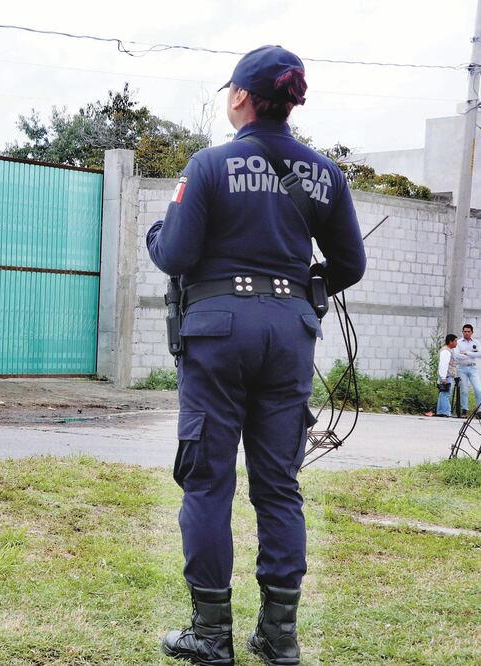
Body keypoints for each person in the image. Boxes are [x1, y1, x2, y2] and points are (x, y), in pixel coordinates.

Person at [147, 45, 365, 666]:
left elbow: (177, 255)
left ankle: (210, 635)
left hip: (217, 332)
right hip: (290, 332)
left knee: (209, 481)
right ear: (292, 101)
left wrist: (156, 233)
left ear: (241, 96)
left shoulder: (211, 165)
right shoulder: (327, 174)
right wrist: (300, 290)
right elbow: (350, 263)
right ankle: (279, 636)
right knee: (278, 486)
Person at [454, 324, 481, 417]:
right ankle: (464, 410)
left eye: (468, 331)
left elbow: (480, 355)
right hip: (462, 368)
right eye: (465, 331)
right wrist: (473, 354)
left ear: (472, 332)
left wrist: (466, 353)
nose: (466, 333)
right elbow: (457, 355)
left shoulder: (476, 342)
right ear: (462, 332)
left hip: (473, 368)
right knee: (464, 389)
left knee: (478, 389)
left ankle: (479, 411)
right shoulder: (458, 342)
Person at [437, 334, 459, 417]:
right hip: (446, 376)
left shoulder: (448, 350)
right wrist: (443, 377)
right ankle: (446, 412)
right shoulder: (446, 351)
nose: (456, 343)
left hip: (445, 375)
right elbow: (443, 364)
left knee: (442, 393)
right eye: (455, 341)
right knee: (446, 394)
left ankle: (440, 411)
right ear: (450, 342)